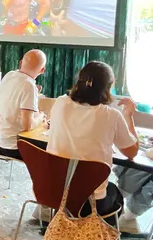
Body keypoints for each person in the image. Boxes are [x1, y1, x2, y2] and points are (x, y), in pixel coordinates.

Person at [47, 61, 139, 219]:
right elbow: (132, 152)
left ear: (79, 81)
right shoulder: (111, 115)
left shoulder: (60, 102)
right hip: (90, 202)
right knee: (115, 194)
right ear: (108, 88)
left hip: (54, 192)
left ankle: (64, 224)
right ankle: (95, 233)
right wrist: (128, 116)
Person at [0, 49, 47, 159]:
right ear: (42, 70)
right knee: (53, 150)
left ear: (21, 63)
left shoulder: (9, 75)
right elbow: (28, 126)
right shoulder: (29, 85)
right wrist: (41, 117)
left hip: (0, 141)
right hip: (15, 146)